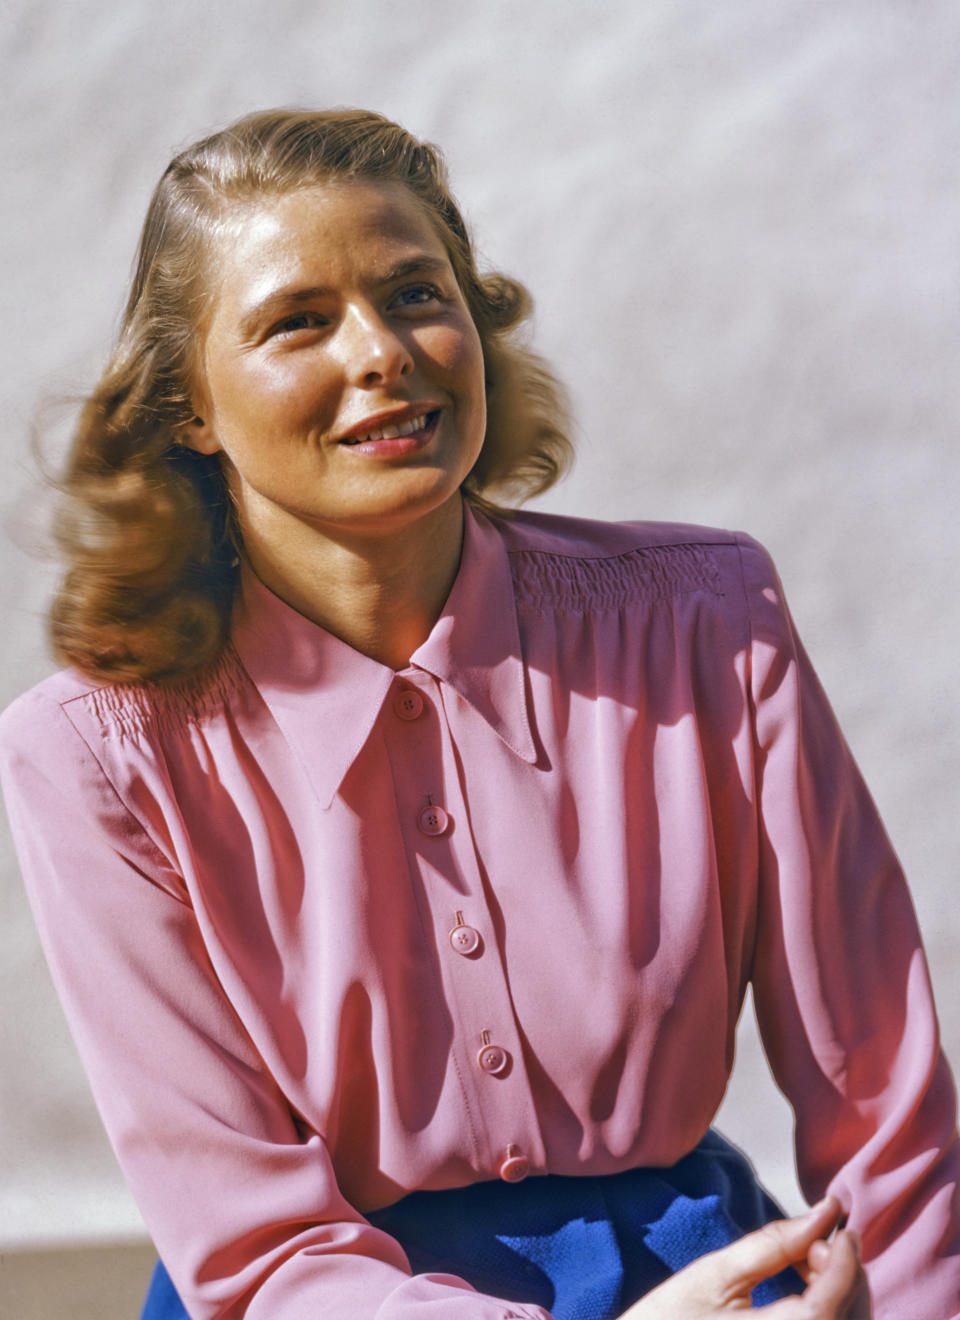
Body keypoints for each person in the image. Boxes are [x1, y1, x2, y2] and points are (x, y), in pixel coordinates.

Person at [0, 108, 956, 1320]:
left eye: (414, 294)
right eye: (301, 321)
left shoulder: (713, 622)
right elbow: (253, 1251)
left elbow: (887, 1109)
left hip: (717, 1284)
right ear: (189, 404)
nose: (383, 352)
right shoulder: (90, 762)